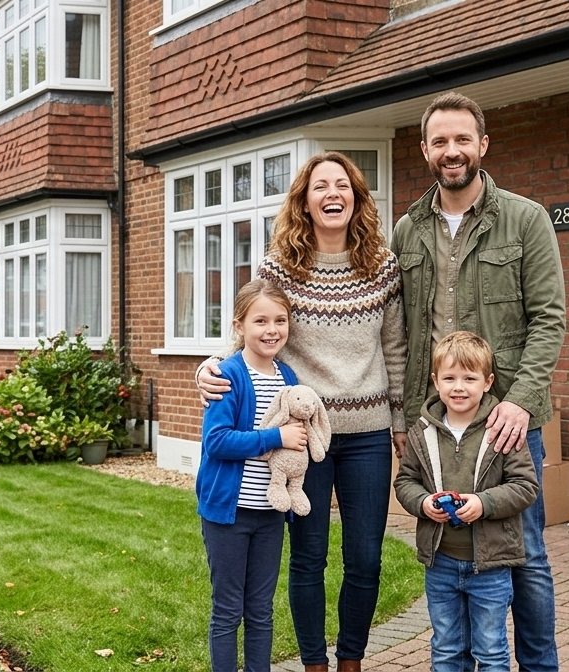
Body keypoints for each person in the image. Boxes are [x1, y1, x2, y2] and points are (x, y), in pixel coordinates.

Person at [197, 151, 407, 672]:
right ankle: (313, 662)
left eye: (343, 185)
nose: (332, 194)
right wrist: (212, 365)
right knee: (309, 558)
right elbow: (254, 325)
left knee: (365, 558)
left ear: (357, 198)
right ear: (304, 202)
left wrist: (399, 421)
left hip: (367, 434)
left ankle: (351, 660)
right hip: (300, 436)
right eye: (320, 187)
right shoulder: (279, 266)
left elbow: (397, 349)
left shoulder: (382, 267)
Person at [390, 91, 566, 672]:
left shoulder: (525, 218)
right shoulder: (407, 230)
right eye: (439, 141)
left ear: (483, 145)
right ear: (424, 150)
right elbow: (394, 327)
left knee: (527, 554)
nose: (452, 151)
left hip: (509, 422)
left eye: (462, 139)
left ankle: (539, 666)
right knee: (446, 540)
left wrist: (517, 402)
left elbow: (550, 319)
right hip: (435, 423)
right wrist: (403, 419)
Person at [394, 331, 538, 671]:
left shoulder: (502, 430)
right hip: (440, 563)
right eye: (449, 378)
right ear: (435, 381)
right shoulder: (422, 431)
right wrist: (424, 503)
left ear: (487, 382)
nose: (459, 387)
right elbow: (405, 481)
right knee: (446, 649)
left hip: (490, 566)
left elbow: (525, 485)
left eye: (469, 378)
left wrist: (483, 503)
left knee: (490, 651)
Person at [196, 279, 308, 672]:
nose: (272, 329)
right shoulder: (228, 375)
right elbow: (217, 442)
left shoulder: (289, 378)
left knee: (261, 609)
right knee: (228, 609)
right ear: (239, 325)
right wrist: (276, 436)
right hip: (229, 513)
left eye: (280, 320)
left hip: (270, 512)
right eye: (260, 320)